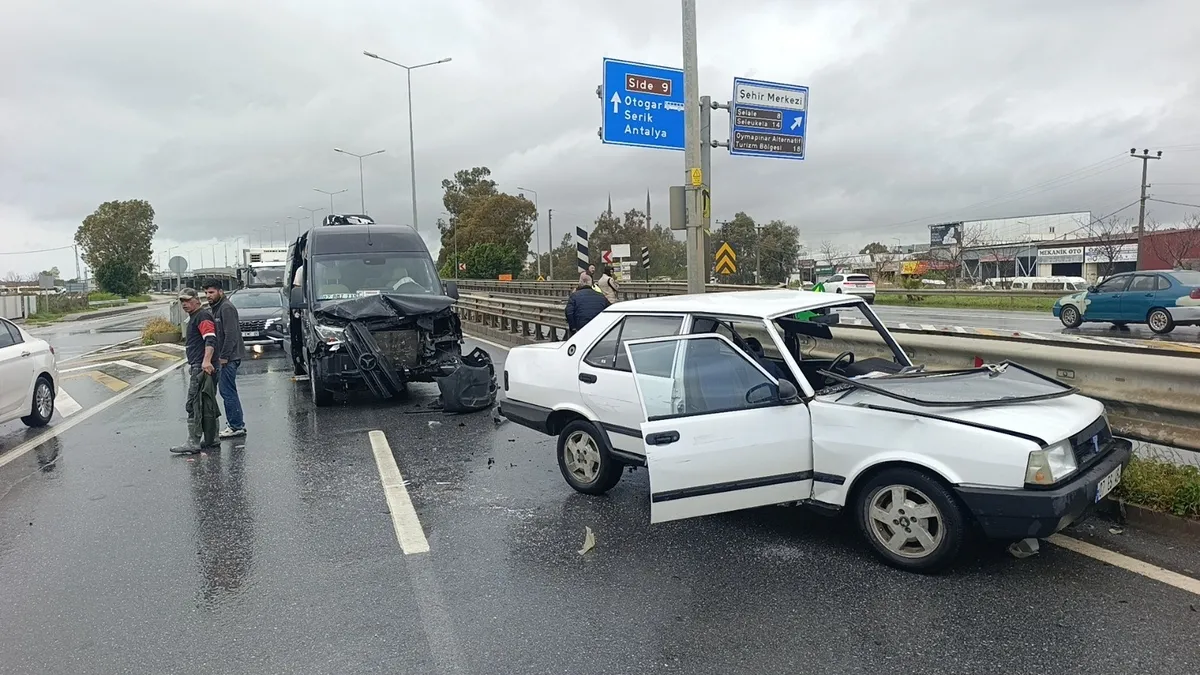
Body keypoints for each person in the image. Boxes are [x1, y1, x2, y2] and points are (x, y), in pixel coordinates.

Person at [171, 288, 221, 454]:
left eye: (187, 300)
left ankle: (193, 442)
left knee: (194, 403)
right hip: (203, 365)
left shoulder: (201, 316)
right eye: (182, 301)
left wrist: (205, 361)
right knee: (208, 402)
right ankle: (212, 439)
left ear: (196, 300)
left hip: (202, 367)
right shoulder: (196, 316)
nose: (184, 304)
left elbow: (210, 339)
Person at [203, 279, 247, 438]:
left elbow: (231, 334)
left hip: (229, 358)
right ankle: (236, 424)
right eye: (206, 292)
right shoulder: (216, 308)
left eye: (211, 292)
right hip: (225, 357)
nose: (208, 295)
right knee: (227, 391)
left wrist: (224, 357)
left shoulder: (226, 308)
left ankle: (236, 426)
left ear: (220, 292)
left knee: (227, 391)